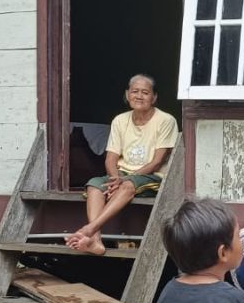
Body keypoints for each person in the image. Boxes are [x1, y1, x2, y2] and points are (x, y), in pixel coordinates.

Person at [67, 74, 179, 255]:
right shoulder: (120, 120)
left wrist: (125, 179)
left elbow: (157, 161)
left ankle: (89, 229)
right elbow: (111, 158)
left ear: (154, 97)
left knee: (127, 186)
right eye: (135, 91)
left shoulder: (166, 120)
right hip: (122, 174)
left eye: (145, 92)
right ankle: (96, 240)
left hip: (153, 175)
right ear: (127, 95)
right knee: (94, 185)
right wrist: (114, 178)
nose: (139, 96)